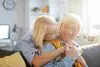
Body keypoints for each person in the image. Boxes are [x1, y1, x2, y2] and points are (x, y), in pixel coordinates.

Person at [14, 15, 79, 67]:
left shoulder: (52, 39)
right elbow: (36, 63)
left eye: (56, 30)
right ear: (43, 36)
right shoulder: (27, 41)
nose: (57, 33)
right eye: (53, 33)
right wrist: (63, 51)